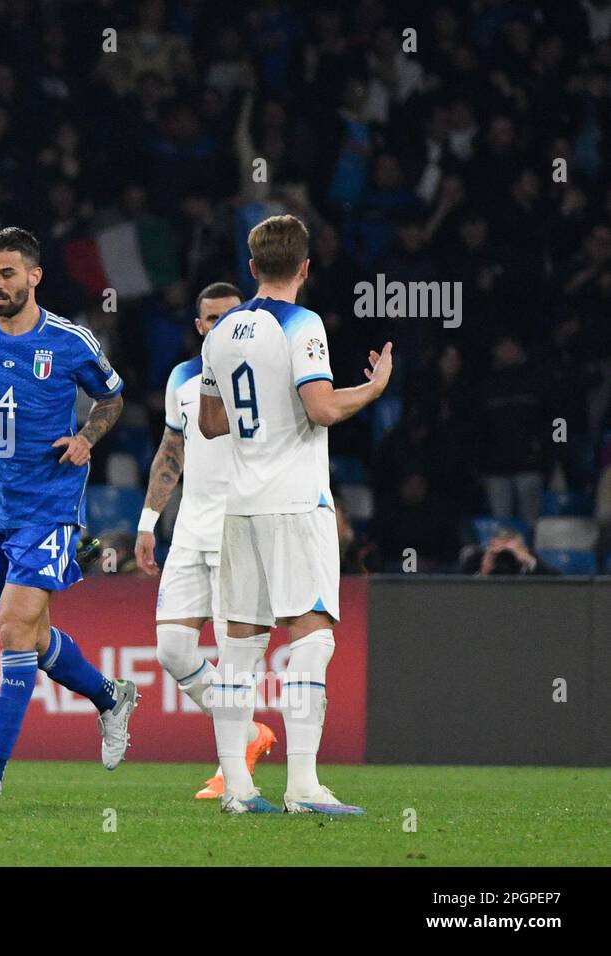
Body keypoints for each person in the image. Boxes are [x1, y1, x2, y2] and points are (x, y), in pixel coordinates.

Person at [0, 227, 138, 811]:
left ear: (34, 276)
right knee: (37, 640)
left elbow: (113, 397)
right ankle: (110, 696)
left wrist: (86, 437)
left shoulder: (70, 341)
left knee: (13, 628)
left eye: (9, 274)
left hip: (51, 508)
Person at [199, 214, 391, 814]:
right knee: (310, 640)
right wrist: (374, 388)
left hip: (241, 505)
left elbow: (209, 422)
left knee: (239, 650)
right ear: (305, 268)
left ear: (252, 268)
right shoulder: (304, 324)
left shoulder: (220, 331)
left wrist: (259, 419)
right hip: (294, 501)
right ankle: (303, 787)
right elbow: (322, 408)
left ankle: (236, 788)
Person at [135, 281, 276, 800]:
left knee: (236, 660)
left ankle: (232, 770)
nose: (220, 327)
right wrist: (149, 522)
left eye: (230, 318)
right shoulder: (183, 378)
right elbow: (172, 450)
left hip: (241, 531)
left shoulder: (266, 375)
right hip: (191, 533)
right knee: (173, 650)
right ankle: (250, 733)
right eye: (210, 319)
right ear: (199, 327)